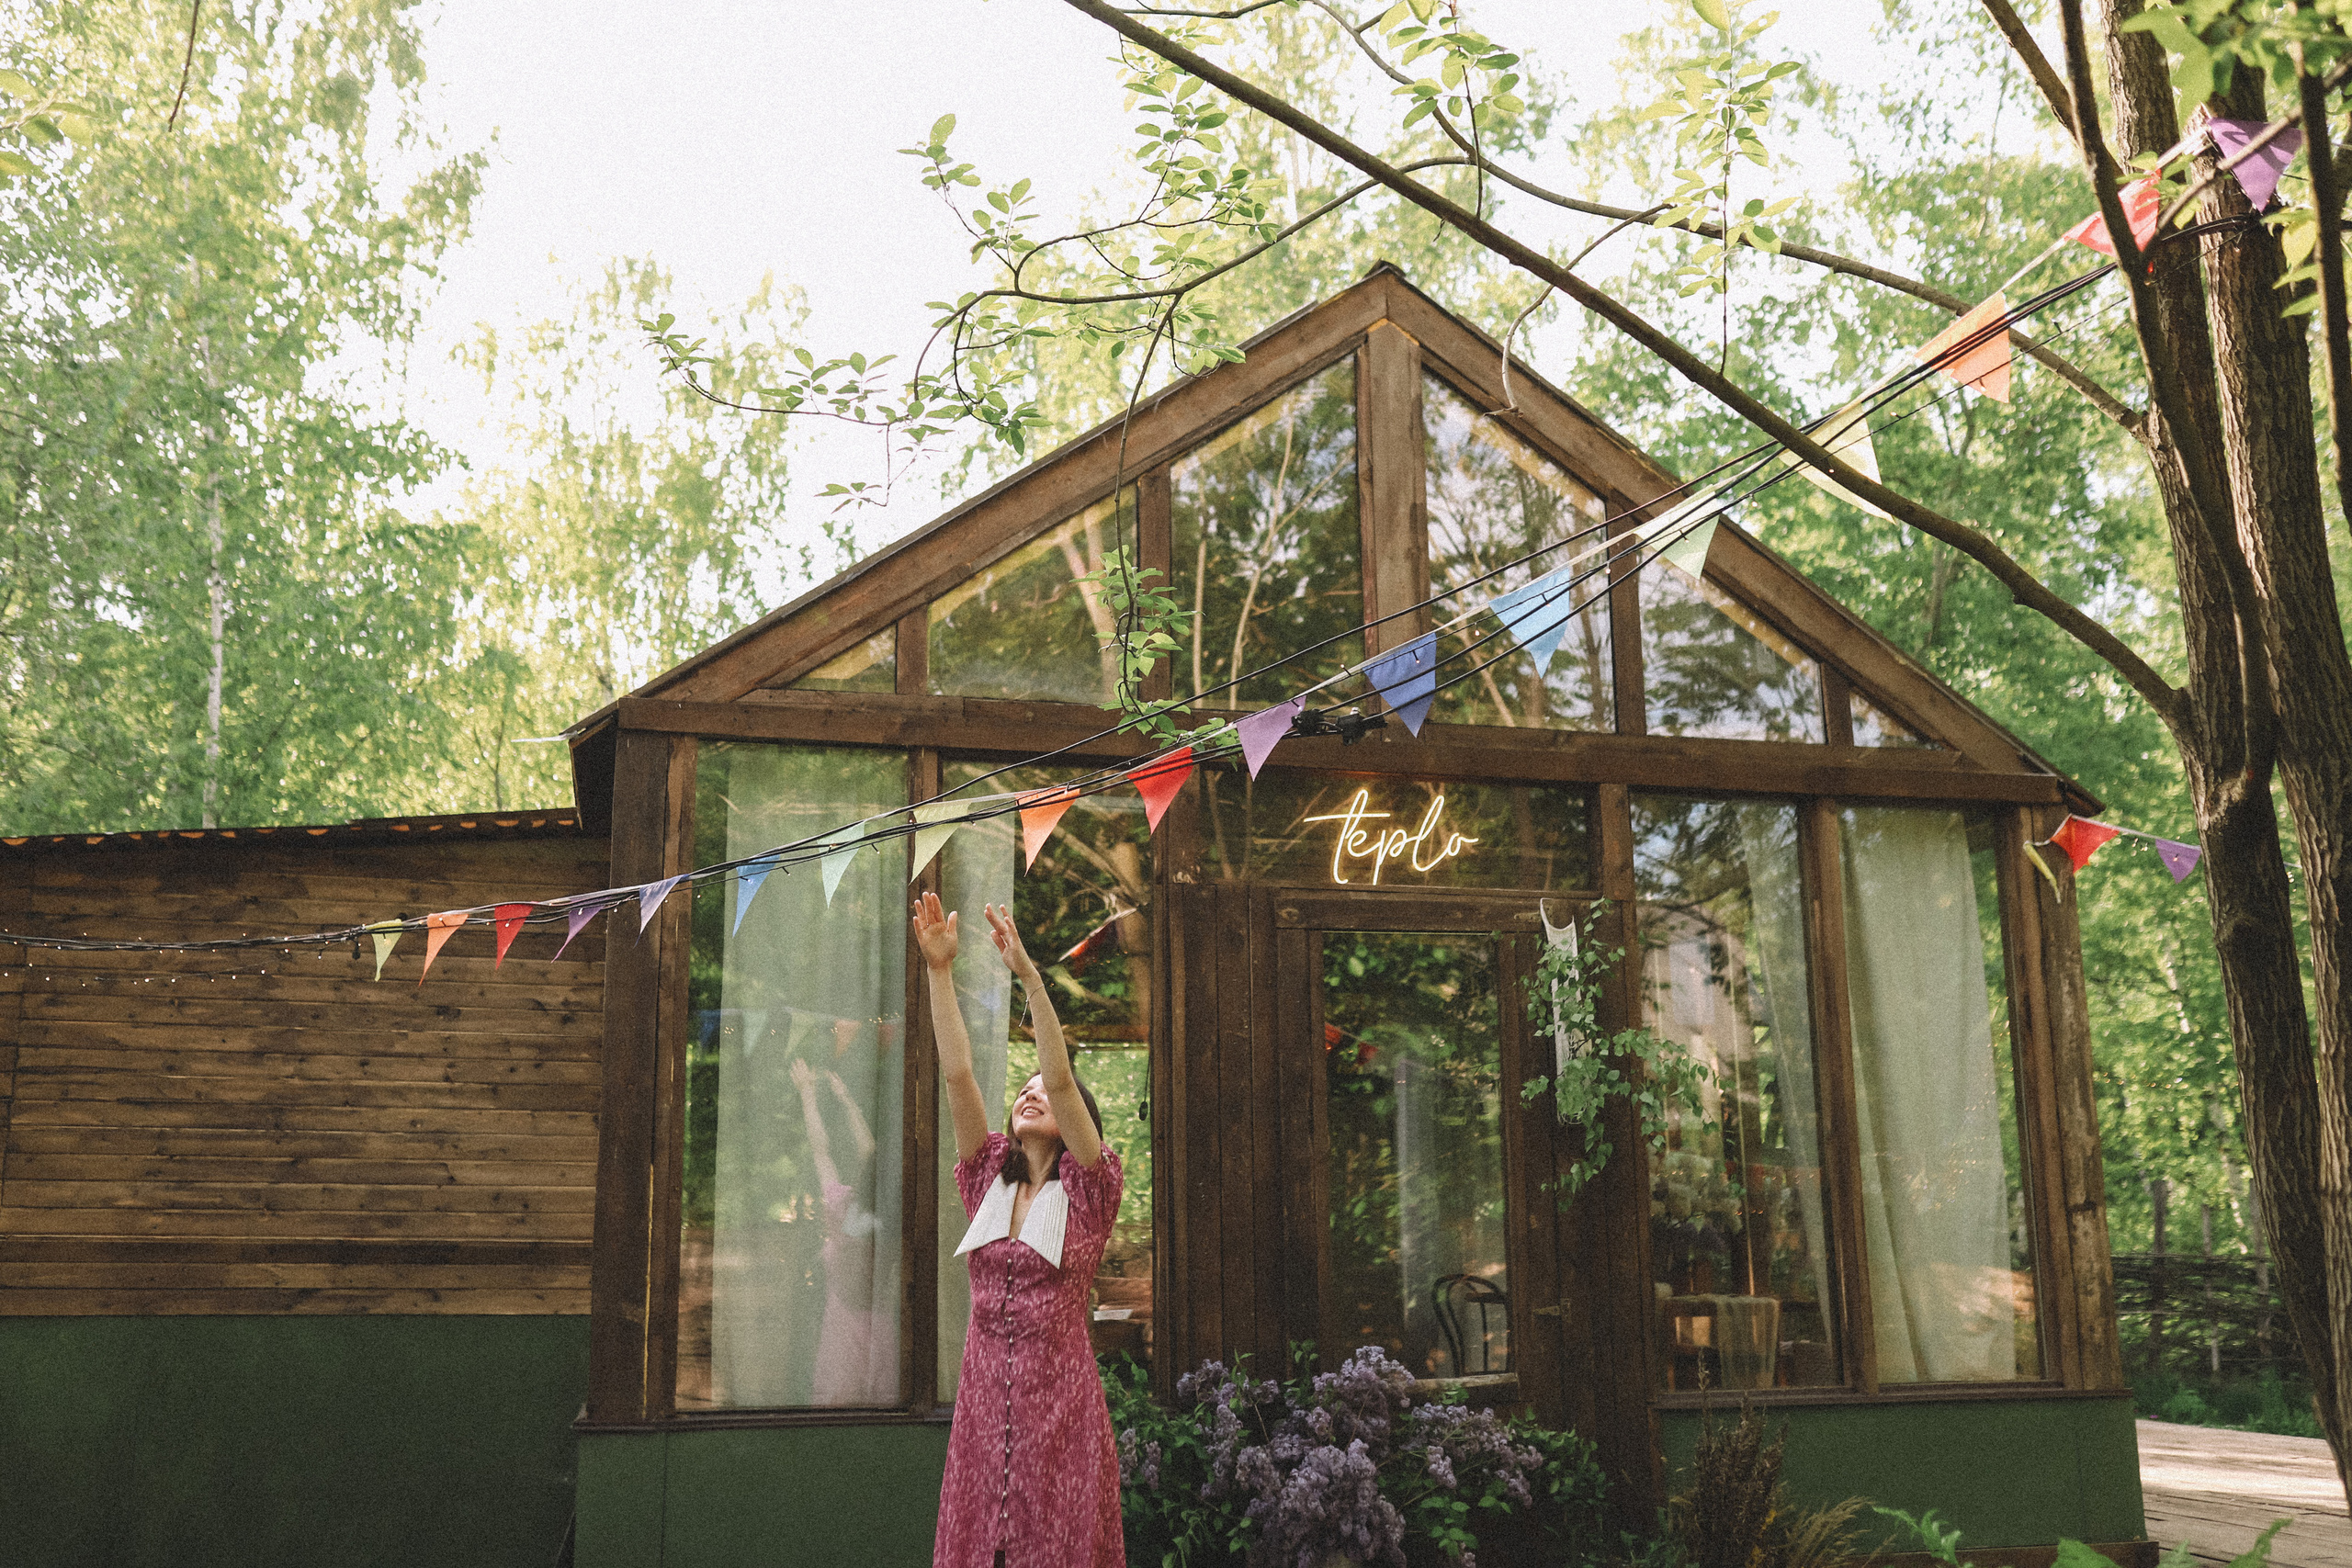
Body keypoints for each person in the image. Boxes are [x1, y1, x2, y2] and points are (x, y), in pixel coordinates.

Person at [914, 890, 1125, 1568]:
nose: (1032, 1090)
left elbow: (1063, 1078)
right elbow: (957, 1073)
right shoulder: (986, 1179)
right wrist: (939, 972)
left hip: (1060, 1412)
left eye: (1045, 1091)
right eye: (1023, 1086)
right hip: (984, 1409)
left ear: (1074, 1123)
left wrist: (1030, 977)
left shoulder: (1091, 1191)